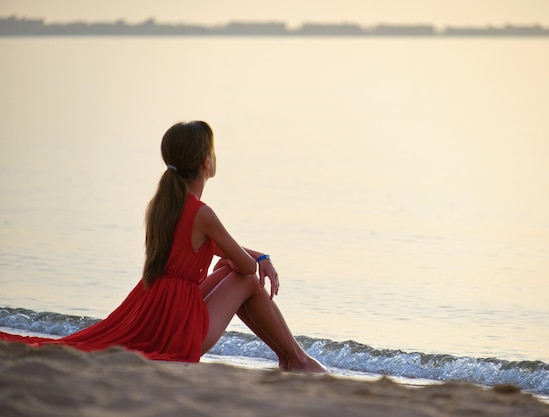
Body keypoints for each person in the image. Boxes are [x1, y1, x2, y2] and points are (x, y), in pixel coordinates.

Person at [0, 120, 326, 373]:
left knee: (235, 270)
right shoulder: (202, 213)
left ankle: (292, 359)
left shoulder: (163, 204)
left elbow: (223, 250)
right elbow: (244, 266)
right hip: (182, 328)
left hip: (161, 311)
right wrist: (251, 261)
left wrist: (254, 256)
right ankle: (295, 359)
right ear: (206, 163)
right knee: (246, 279)